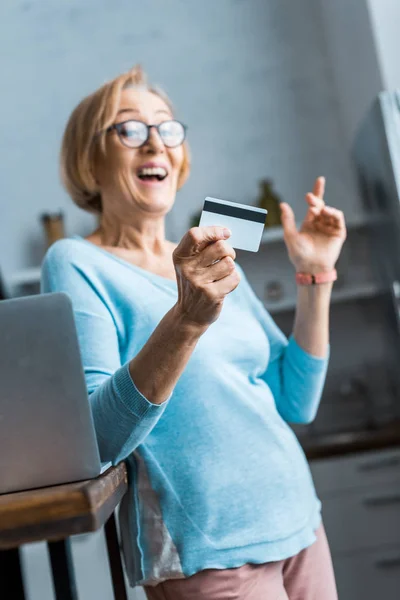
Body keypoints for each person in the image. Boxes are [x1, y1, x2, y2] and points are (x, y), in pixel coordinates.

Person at [41, 65, 346, 600]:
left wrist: (315, 277)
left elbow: (295, 399)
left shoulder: (209, 260)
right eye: (130, 129)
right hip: (209, 554)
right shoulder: (75, 262)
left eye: (167, 128)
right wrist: (185, 320)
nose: (155, 141)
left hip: (300, 520)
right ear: (91, 157)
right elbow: (97, 439)